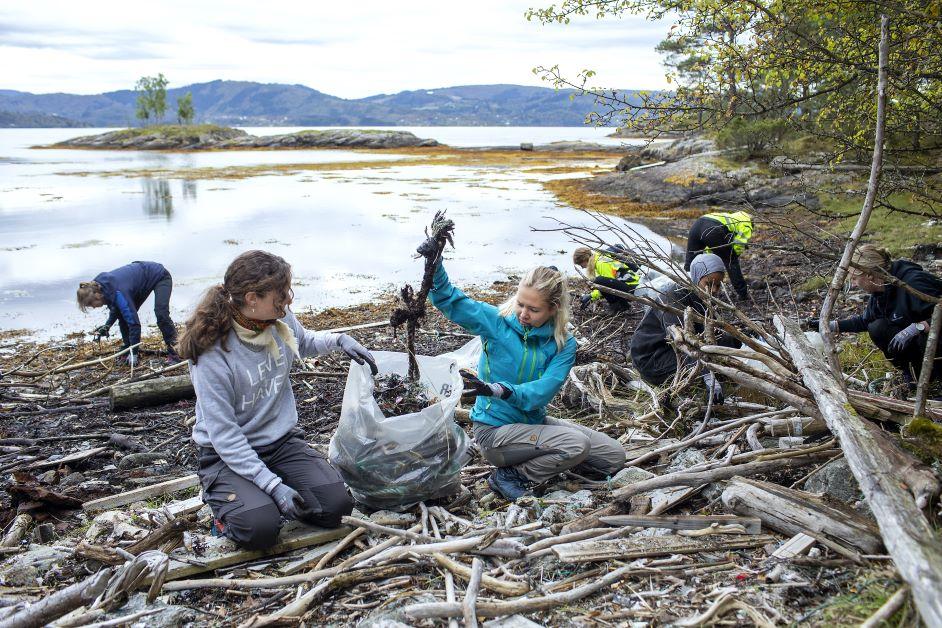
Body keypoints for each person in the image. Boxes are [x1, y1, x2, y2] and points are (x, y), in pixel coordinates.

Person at [178, 250, 377, 549]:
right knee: (260, 529)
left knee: (336, 506)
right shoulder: (212, 354)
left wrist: (339, 340)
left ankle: (262, 495)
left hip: (280, 444)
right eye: (280, 294)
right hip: (226, 455)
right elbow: (225, 435)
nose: (288, 299)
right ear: (251, 298)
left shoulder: (277, 319)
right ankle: (225, 506)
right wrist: (274, 487)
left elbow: (304, 341)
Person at [423, 231, 626, 502]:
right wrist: (434, 264)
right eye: (520, 303)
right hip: (494, 433)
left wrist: (500, 390)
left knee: (613, 456)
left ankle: (553, 460)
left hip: (531, 423)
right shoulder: (496, 322)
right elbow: (450, 300)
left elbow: (542, 392)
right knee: (577, 444)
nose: (523, 314)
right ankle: (512, 476)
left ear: (553, 309)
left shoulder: (564, 344)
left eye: (534, 309)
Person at [808, 244, 942, 389]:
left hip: (935, 338)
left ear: (869, 275)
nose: (853, 285)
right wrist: (831, 325)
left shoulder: (914, 282)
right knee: (878, 328)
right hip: (922, 346)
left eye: (854, 279)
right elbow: (866, 321)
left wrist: (918, 327)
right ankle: (916, 375)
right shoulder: (880, 292)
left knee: (927, 336)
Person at [630, 253, 742, 403]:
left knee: (726, 342)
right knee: (705, 363)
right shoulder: (672, 297)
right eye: (709, 283)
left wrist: (738, 338)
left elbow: (714, 333)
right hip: (652, 357)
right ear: (696, 278)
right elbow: (682, 342)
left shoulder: (704, 298)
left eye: (718, 285)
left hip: (676, 349)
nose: (714, 290)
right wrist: (707, 375)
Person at [77, 261, 180, 365]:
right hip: (139, 282)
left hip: (159, 275)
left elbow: (134, 324)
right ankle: (127, 349)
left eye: (92, 304)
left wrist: (134, 354)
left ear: (97, 295)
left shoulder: (118, 291)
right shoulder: (102, 287)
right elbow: (116, 309)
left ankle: (175, 351)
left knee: (161, 313)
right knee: (123, 317)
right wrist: (107, 325)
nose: (94, 307)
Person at [684, 210, 753, 301]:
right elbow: (740, 243)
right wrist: (732, 256)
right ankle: (743, 294)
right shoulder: (747, 221)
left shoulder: (729, 216)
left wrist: (712, 259)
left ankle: (686, 292)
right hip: (712, 229)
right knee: (731, 261)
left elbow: (711, 248)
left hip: (697, 224)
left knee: (690, 262)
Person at [573, 245, 642, 313]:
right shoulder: (599, 258)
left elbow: (607, 287)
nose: (582, 267)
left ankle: (617, 306)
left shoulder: (601, 263)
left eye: (580, 264)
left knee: (599, 281)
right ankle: (623, 305)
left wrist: (591, 296)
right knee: (599, 281)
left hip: (632, 288)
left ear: (585, 259)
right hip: (628, 285)